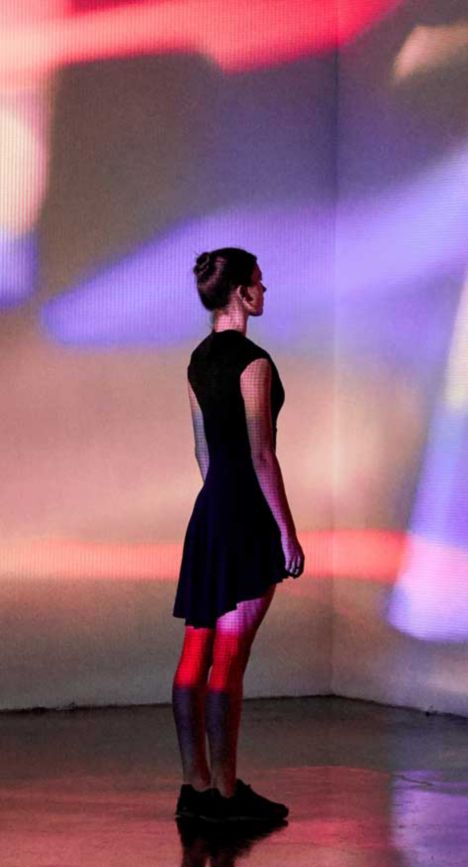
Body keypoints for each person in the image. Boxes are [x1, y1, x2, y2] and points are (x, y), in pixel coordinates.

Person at [171, 247, 304, 822]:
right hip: (245, 517)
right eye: (260, 282)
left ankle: (195, 786)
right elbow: (262, 454)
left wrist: (217, 500)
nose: (265, 291)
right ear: (243, 293)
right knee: (228, 659)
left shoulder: (199, 360)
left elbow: (204, 449)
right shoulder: (256, 363)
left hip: (211, 512)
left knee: (195, 653)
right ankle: (225, 794)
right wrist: (287, 534)